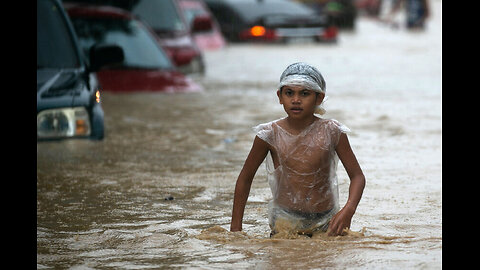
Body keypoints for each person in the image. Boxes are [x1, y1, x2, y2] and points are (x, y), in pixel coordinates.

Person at [230, 62, 366, 237]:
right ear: (279, 97)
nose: (296, 100)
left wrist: (348, 210)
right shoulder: (269, 134)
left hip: (328, 222)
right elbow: (245, 179)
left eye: (304, 93)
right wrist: (235, 230)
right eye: (289, 93)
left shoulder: (332, 131)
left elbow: (357, 176)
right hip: (285, 222)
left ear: (319, 98)